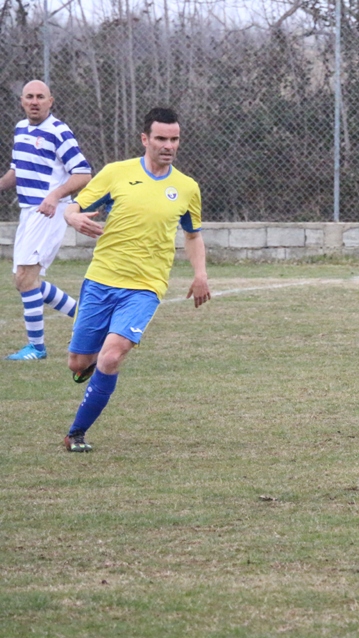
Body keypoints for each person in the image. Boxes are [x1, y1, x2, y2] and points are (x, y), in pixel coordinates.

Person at [60, 107, 210, 453]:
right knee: (78, 363)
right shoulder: (116, 173)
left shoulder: (186, 187)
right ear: (145, 139)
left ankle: (76, 433)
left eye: (174, 139)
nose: (168, 145)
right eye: (160, 138)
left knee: (112, 357)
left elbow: (192, 235)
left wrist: (200, 274)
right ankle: (91, 368)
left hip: (145, 287)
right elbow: (74, 206)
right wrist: (73, 219)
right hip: (100, 279)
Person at [1, 80, 92, 360]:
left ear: (50, 101)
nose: (35, 102)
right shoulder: (20, 129)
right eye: (29, 97)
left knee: (26, 278)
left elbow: (83, 173)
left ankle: (37, 348)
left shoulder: (58, 132)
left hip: (49, 213)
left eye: (41, 97)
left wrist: (55, 196)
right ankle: (85, 320)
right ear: (22, 101)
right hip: (28, 213)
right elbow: (17, 170)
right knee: (26, 280)